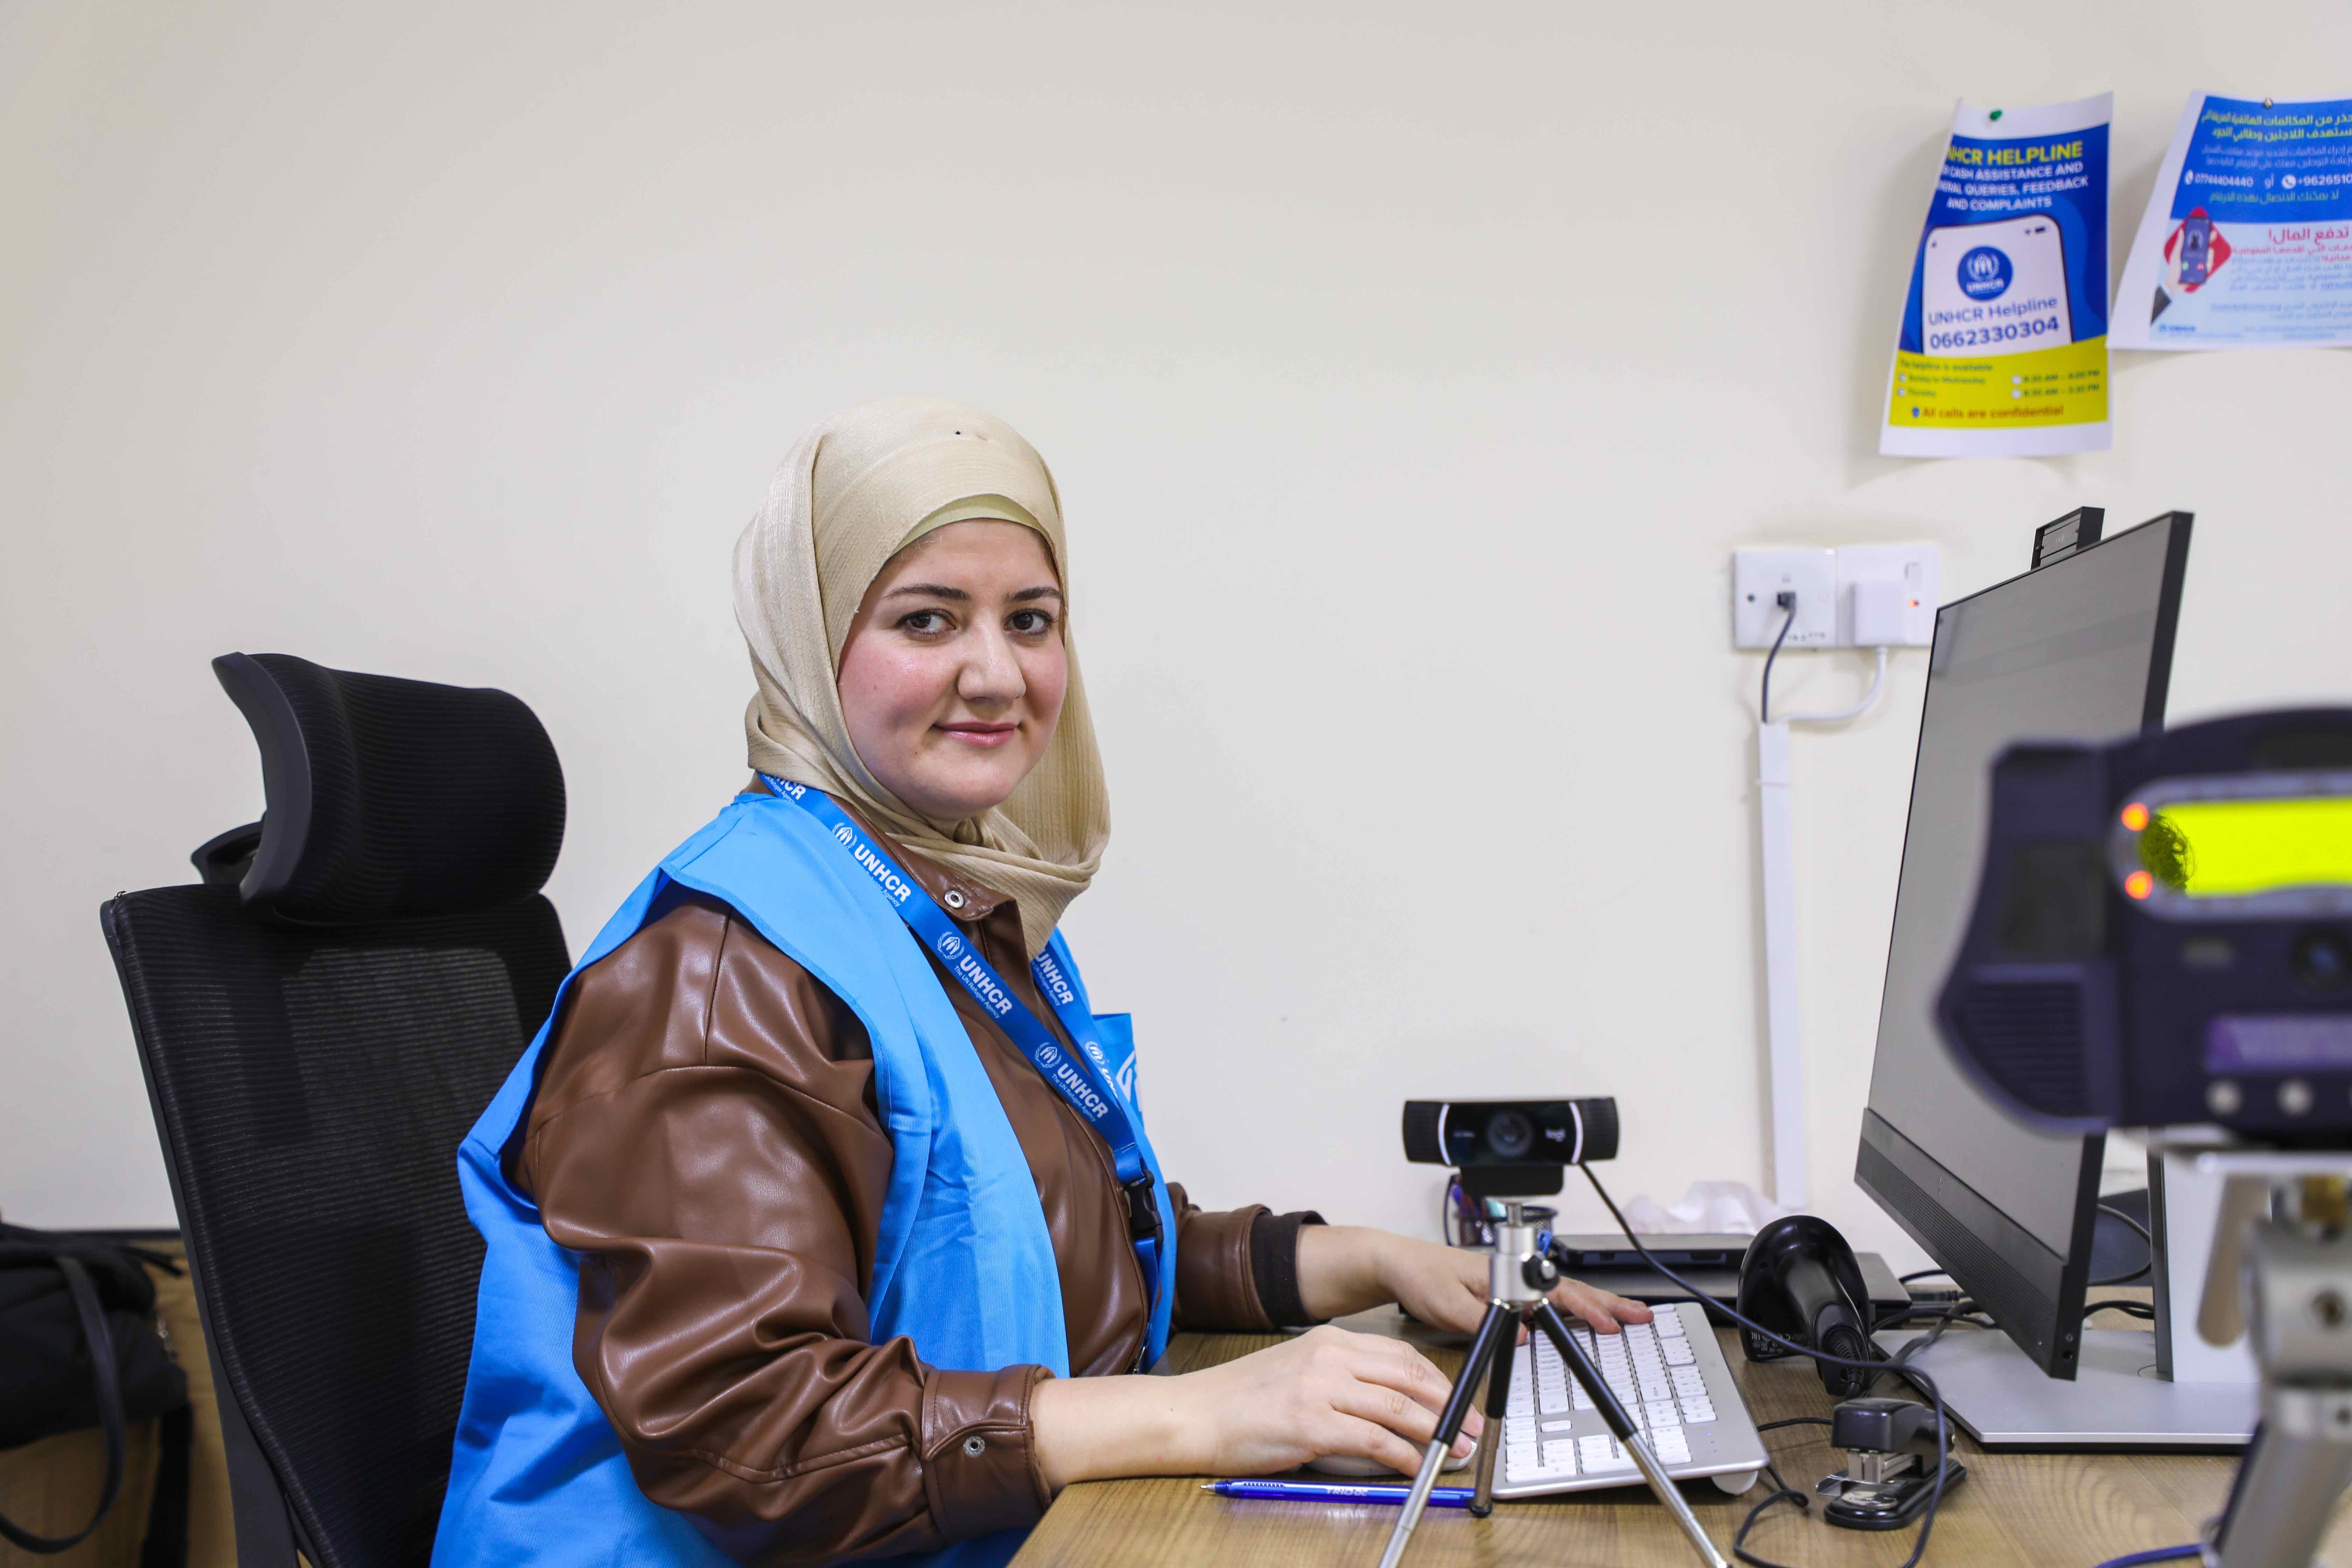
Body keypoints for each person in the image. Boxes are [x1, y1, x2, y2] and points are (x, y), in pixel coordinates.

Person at [432, 398, 1647, 1568]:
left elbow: (1068, 1254)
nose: (998, 676)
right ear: (809, 640)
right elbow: (760, 1437)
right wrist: (1203, 1417)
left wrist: (1368, 1264)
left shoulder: (938, 903)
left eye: (1030, 618)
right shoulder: (718, 972)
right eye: (925, 620)